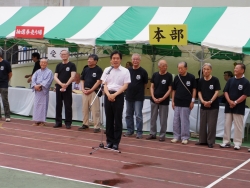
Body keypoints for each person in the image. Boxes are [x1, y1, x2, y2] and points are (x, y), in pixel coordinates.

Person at [101, 50, 131, 150]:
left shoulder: (125, 71)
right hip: (108, 95)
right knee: (109, 119)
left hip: (118, 96)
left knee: (117, 119)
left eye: (117, 58)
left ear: (120, 60)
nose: (115, 60)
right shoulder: (107, 70)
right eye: (113, 58)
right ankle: (109, 141)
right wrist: (109, 94)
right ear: (111, 60)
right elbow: (104, 83)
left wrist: (114, 95)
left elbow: (125, 85)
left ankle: (116, 142)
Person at [220, 63, 250, 150]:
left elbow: (245, 94)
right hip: (229, 106)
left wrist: (235, 102)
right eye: (235, 68)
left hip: (239, 107)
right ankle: (226, 142)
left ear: (242, 70)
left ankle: (237, 143)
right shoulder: (230, 80)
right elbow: (225, 91)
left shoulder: (246, 82)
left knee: (238, 126)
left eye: (237, 68)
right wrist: (229, 101)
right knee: (227, 125)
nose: (235, 70)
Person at [146, 60, 172, 141]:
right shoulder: (155, 75)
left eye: (166, 65)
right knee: (153, 117)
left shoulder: (169, 76)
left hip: (164, 101)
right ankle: (152, 133)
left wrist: (163, 98)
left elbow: (170, 89)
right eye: (163, 65)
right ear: (159, 67)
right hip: (154, 100)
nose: (165, 67)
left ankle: (162, 135)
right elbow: (152, 87)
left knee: (163, 119)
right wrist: (153, 97)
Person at [195, 63, 221, 148]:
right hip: (203, 105)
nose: (205, 71)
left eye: (207, 69)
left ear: (211, 70)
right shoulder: (200, 80)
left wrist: (210, 101)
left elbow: (217, 92)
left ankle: (210, 141)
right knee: (202, 124)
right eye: (204, 69)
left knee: (211, 124)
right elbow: (199, 92)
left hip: (213, 106)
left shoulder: (215, 80)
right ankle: (202, 140)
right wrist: (202, 101)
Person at [124, 53, 148, 139]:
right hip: (129, 96)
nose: (135, 61)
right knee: (128, 115)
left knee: (138, 115)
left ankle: (139, 132)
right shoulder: (128, 71)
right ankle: (130, 131)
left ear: (140, 61)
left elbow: (145, 84)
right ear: (131, 60)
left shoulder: (143, 72)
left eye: (137, 59)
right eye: (134, 59)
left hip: (138, 97)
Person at [171, 62, 196, 144]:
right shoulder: (176, 78)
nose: (180, 70)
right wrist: (172, 101)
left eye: (182, 68)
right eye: (179, 68)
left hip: (186, 102)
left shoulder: (191, 77)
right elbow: (174, 90)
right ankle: (176, 136)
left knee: (184, 121)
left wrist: (192, 101)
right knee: (176, 121)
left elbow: (194, 90)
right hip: (177, 102)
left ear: (186, 68)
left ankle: (185, 137)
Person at [78, 54, 103, 133]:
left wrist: (91, 90)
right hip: (85, 91)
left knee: (95, 110)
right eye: (88, 59)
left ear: (95, 61)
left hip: (93, 92)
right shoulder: (86, 69)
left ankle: (97, 126)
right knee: (84, 109)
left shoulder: (98, 70)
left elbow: (99, 81)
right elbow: (82, 80)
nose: (89, 60)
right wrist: (82, 88)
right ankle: (85, 124)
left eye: (91, 59)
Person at [53, 50, 76, 129]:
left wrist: (66, 84)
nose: (63, 56)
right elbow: (55, 76)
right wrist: (61, 84)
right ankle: (58, 122)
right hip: (59, 87)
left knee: (68, 105)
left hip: (68, 87)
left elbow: (72, 76)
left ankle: (68, 122)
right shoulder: (58, 65)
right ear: (60, 56)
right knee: (58, 105)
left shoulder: (72, 65)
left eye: (65, 54)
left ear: (68, 55)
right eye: (62, 54)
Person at [31, 59, 53, 126]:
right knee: (37, 105)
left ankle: (42, 121)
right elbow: (33, 79)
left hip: (43, 91)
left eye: (44, 63)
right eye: (42, 62)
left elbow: (48, 81)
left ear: (47, 64)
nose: (43, 64)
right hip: (37, 91)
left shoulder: (49, 72)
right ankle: (36, 121)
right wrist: (35, 86)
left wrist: (40, 86)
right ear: (40, 63)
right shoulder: (37, 71)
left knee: (43, 105)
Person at [0, 51, 12, 122]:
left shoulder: (6, 63)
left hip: (3, 84)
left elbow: (10, 74)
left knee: (5, 100)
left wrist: (6, 81)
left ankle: (7, 116)